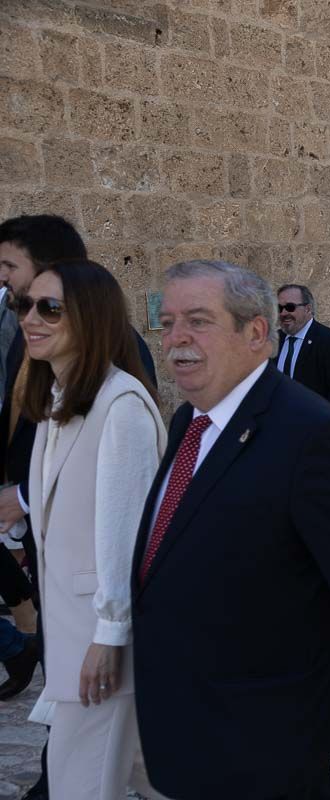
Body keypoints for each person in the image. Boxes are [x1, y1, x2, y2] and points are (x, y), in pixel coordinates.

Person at [132, 260, 330, 799]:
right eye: (168, 323)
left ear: (256, 332)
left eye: (199, 321)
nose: (176, 338)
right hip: (191, 712)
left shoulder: (310, 434)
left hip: (267, 724)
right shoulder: (189, 422)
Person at [18, 260, 165, 799]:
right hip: (70, 637)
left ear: (91, 317)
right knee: (151, 777)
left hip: (98, 647)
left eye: (49, 308)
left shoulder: (120, 406)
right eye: (25, 305)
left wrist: (109, 635)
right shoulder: (58, 400)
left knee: (79, 785)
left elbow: (127, 539)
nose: (31, 318)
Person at [275, 284, 330, 417]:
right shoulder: (273, 340)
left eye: (290, 307)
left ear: (308, 309)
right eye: (279, 308)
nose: (283, 313)